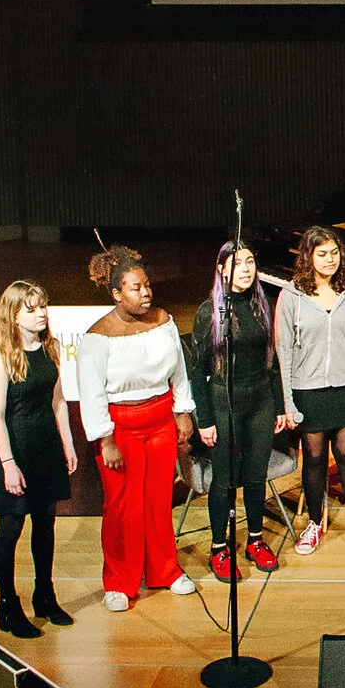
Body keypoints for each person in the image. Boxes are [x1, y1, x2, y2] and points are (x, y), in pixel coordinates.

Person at [77, 245, 197, 612]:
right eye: (136, 288)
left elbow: (179, 371)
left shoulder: (164, 320)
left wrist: (182, 412)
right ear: (116, 293)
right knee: (122, 508)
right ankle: (119, 581)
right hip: (120, 429)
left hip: (160, 420)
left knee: (159, 500)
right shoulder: (98, 337)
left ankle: (164, 570)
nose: (146, 293)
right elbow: (92, 393)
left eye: (147, 286)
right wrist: (106, 441)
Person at [189, 242, 295, 581]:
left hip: (260, 401)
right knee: (224, 480)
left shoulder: (262, 305)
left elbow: (271, 361)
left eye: (250, 262)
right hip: (225, 403)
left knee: (255, 476)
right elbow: (197, 372)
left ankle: (255, 540)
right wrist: (205, 420)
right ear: (222, 269)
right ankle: (219, 547)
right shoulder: (210, 312)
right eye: (238, 263)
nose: (246, 269)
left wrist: (279, 405)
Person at [0, 280, 78, 636]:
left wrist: (68, 443)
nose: (41, 314)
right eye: (32, 308)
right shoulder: (2, 358)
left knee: (45, 522)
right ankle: (8, 604)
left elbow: (58, 400)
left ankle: (45, 595)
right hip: (18, 449)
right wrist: (8, 464)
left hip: (46, 446)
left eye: (43, 306)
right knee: (11, 527)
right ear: (13, 315)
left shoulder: (51, 347)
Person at [276, 227, 345, 554]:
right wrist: (288, 401)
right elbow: (283, 352)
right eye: (322, 254)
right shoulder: (291, 295)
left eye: (334, 253)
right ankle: (314, 523)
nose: (330, 259)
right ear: (308, 256)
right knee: (315, 457)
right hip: (307, 390)